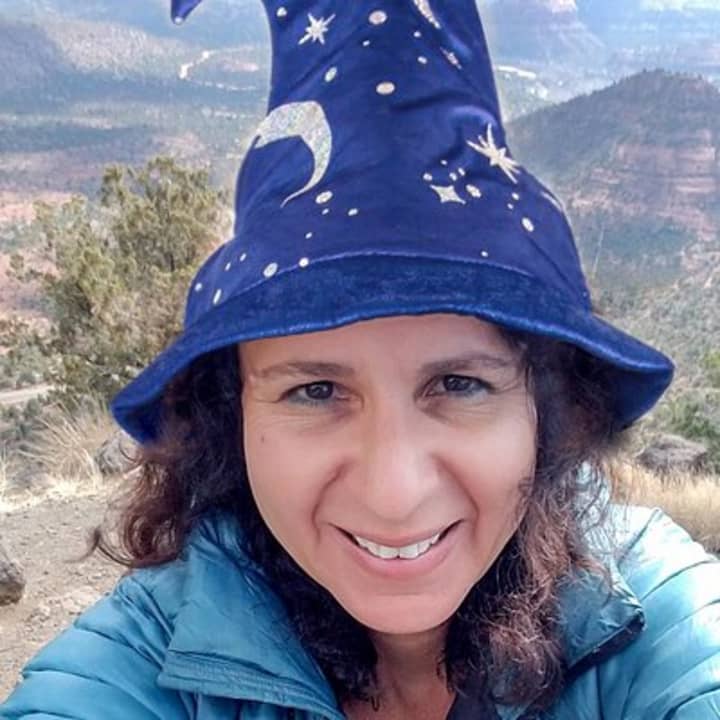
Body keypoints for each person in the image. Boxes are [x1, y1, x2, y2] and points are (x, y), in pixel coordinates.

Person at [2, 0, 719, 718]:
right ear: (231, 417)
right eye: (315, 390)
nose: (393, 494)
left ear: (547, 412)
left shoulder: (655, 616)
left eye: (460, 383)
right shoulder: (146, 659)